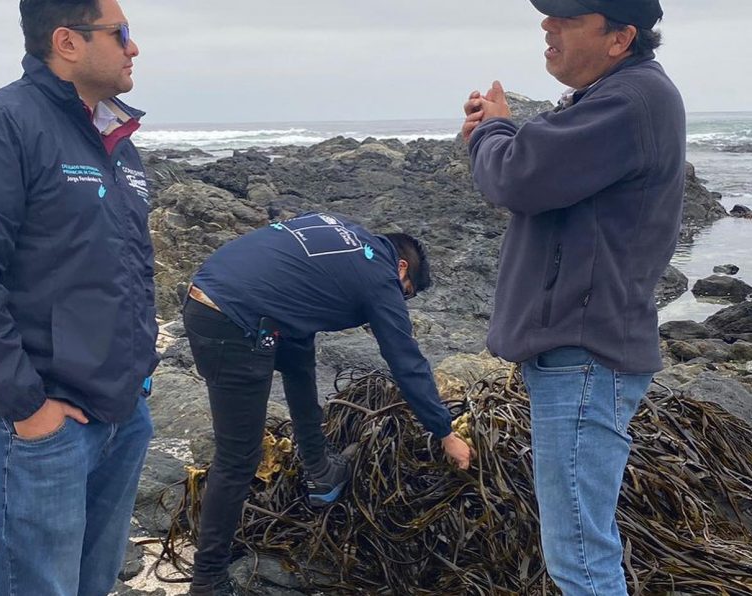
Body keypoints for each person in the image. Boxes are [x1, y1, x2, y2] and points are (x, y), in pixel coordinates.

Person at [0, 1, 158, 594]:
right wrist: (28, 408)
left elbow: (123, 267)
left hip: (121, 413)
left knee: (92, 584)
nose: (134, 48)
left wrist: (138, 386)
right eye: (122, 34)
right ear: (68, 41)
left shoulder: (115, 139)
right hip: (44, 423)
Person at [460, 0, 684, 594]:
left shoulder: (628, 102)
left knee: (580, 558)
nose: (547, 25)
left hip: (584, 354)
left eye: (568, 17)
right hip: (580, 352)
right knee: (581, 549)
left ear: (620, 38)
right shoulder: (614, 98)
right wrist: (497, 134)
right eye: (548, 14)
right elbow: (527, 168)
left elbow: (517, 177)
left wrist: (494, 131)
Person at [182, 212, 473, 595]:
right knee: (239, 457)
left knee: (300, 355)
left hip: (218, 294)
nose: (399, 300)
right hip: (231, 321)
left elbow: (292, 290)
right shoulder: (378, 277)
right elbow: (405, 359)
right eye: (405, 292)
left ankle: (319, 469)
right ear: (401, 266)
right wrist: (443, 430)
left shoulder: (343, 230)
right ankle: (208, 581)